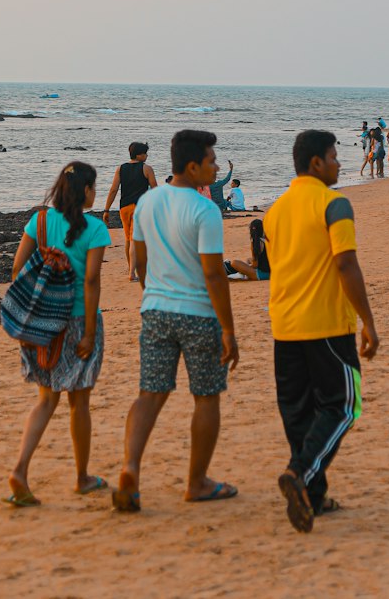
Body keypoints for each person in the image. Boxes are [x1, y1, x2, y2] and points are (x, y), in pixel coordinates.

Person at [113, 129, 238, 512]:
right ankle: (197, 482)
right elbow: (215, 274)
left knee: (150, 394)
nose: (217, 168)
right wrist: (229, 328)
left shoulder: (149, 203)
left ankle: (131, 468)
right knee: (205, 396)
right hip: (198, 313)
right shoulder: (205, 211)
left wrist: (151, 295)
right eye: (212, 161)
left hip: (156, 310)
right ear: (192, 165)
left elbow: (141, 259)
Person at [263, 129, 378, 533]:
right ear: (316, 163)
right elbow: (346, 263)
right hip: (327, 323)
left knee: (299, 412)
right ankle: (299, 473)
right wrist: (368, 321)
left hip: (285, 324)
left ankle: (312, 495)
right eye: (333, 156)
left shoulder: (275, 210)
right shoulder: (335, 204)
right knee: (344, 406)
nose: (339, 163)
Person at [5, 160, 111, 505]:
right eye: (94, 186)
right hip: (79, 320)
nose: (96, 192)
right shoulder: (95, 229)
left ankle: (20, 469)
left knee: (46, 398)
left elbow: (17, 268)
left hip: (43, 324)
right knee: (79, 402)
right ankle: (81, 478)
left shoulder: (39, 221)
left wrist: (32, 311)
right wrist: (90, 333)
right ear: (85, 190)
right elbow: (92, 281)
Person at [103, 142, 157, 282]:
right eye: (145, 153)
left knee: (128, 238)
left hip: (124, 208)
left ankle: (130, 267)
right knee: (134, 239)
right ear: (139, 155)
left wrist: (107, 209)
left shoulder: (120, 168)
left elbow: (113, 189)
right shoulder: (147, 169)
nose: (146, 156)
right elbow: (155, 189)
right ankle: (132, 273)